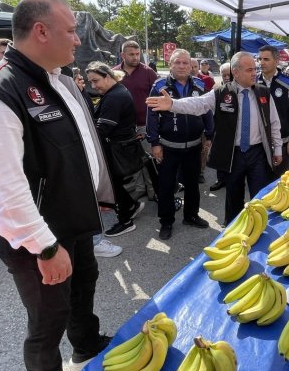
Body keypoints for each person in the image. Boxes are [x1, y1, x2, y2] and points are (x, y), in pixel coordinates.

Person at [0, 0, 114, 371]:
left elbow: (75, 146)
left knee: (83, 287)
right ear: (41, 31)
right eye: (71, 30)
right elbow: (4, 190)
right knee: (48, 316)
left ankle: (85, 347)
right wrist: (44, 247)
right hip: (36, 237)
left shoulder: (54, 79)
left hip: (71, 220)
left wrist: (94, 192)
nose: (78, 40)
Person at [146, 51, 282, 225]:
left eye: (254, 69)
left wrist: (277, 149)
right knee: (234, 194)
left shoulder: (263, 92)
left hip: (258, 153)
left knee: (260, 195)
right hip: (233, 154)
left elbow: (274, 123)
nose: (254, 73)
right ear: (236, 71)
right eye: (249, 70)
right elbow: (197, 104)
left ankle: (260, 226)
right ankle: (233, 228)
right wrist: (173, 104)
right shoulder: (221, 93)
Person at [147, 49, 213, 240]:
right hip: (168, 147)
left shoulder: (200, 85)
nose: (182, 66)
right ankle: (166, 222)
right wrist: (155, 143)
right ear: (170, 65)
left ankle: (191, 215)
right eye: (178, 63)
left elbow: (207, 110)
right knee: (166, 186)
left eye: (186, 63)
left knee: (193, 184)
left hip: (193, 146)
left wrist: (209, 135)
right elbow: (151, 115)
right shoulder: (159, 86)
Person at [86, 62, 142, 238]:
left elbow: (102, 130)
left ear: (108, 76)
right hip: (118, 147)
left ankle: (126, 221)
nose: (94, 86)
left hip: (116, 149)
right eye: (91, 82)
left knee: (113, 185)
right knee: (116, 183)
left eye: (96, 81)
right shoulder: (116, 91)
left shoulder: (114, 97)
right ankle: (132, 206)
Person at [72, 66, 121, 258]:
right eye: (82, 81)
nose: (86, 85)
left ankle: (95, 240)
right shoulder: (74, 97)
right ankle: (94, 242)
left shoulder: (86, 96)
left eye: (90, 81)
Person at [112, 40, 159, 201]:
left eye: (137, 54)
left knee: (149, 159)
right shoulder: (114, 73)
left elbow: (160, 94)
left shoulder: (148, 72)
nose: (135, 57)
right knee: (133, 160)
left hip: (145, 124)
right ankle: (140, 188)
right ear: (122, 55)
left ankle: (153, 189)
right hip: (124, 127)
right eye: (131, 54)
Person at [257, 45, 289, 176]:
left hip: (284, 142)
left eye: (266, 59)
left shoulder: (288, 83)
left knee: (282, 180)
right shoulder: (254, 82)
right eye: (259, 59)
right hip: (260, 143)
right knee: (262, 181)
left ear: (276, 61)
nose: (261, 62)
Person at [209, 62, 233, 191]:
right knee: (220, 156)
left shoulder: (239, 88)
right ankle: (220, 179)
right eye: (224, 75)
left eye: (229, 74)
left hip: (234, 130)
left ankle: (233, 179)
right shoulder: (216, 89)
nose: (226, 77)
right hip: (219, 129)